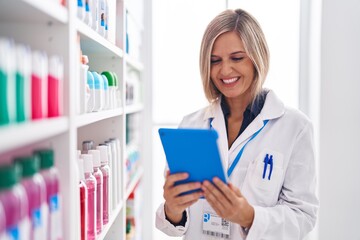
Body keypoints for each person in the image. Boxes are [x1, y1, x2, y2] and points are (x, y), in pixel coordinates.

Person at [155, 8, 319, 240]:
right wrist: (173, 208)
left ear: (257, 57)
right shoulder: (191, 125)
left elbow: (303, 217)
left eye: (237, 58)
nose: (225, 70)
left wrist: (249, 217)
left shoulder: (295, 127)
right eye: (215, 61)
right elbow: (173, 224)